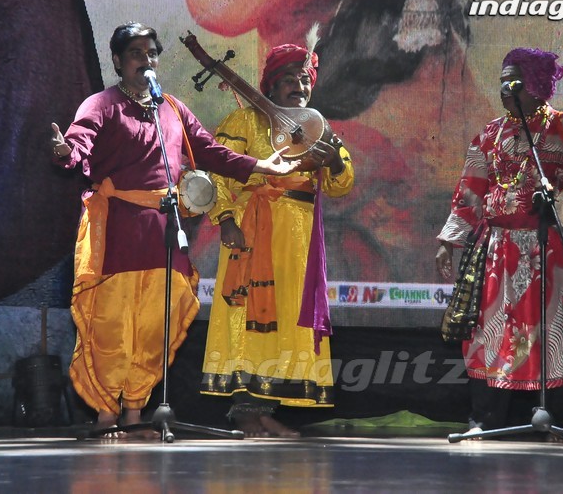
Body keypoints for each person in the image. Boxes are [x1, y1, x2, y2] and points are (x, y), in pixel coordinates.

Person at [50, 22, 301, 438]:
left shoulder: (171, 107)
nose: (146, 62)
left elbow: (209, 151)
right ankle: (106, 418)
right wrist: (66, 152)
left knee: (153, 328)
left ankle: (134, 416)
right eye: (136, 54)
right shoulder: (101, 104)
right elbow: (80, 142)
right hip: (117, 234)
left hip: (164, 234)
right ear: (117, 60)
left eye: (151, 54)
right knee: (112, 327)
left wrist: (261, 165)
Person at [434, 48, 563, 436]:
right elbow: (470, 191)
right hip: (496, 250)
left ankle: (556, 422)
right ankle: (484, 420)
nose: (506, 89)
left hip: (549, 251)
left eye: (515, 82)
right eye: (503, 81)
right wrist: (449, 241)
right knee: (489, 335)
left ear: (538, 85)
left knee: (549, 334)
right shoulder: (490, 134)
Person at [199, 40, 354, 437]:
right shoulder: (244, 122)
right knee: (247, 320)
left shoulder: (315, 126)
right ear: (269, 86)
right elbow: (217, 170)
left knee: (287, 321)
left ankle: (264, 409)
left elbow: (341, 185)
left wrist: (334, 160)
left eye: (304, 80)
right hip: (253, 232)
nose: (298, 87)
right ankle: (247, 413)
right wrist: (226, 218)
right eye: (288, 80)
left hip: (299, 240)